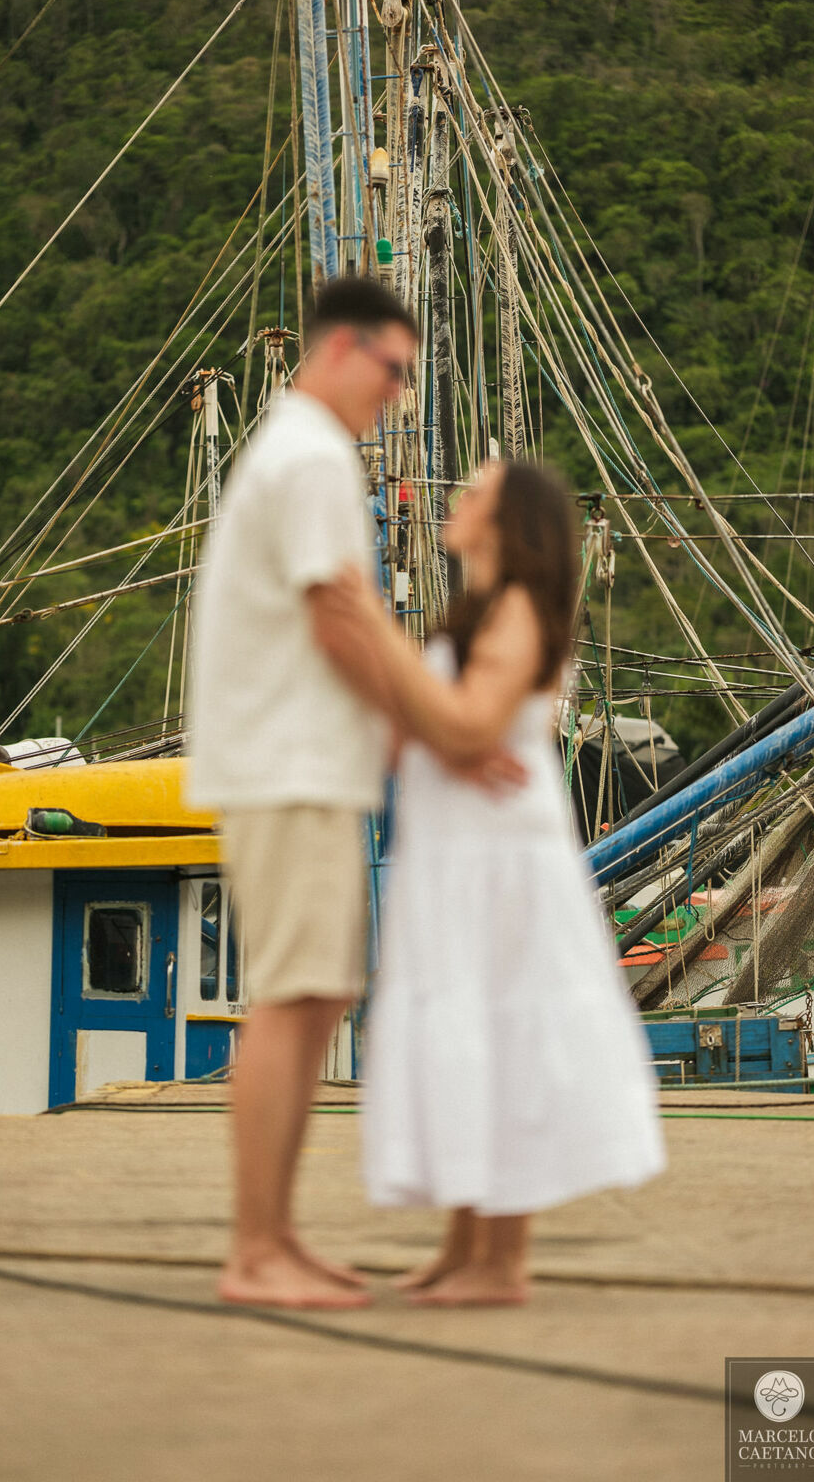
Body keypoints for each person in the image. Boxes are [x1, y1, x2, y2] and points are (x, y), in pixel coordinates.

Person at [190, 277, 520, 1309]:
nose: (400, 393)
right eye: (396, 370)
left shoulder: (292, 452)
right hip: (288, 764)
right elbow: (341, 615)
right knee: (293, 999)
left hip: (293, 759)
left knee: (312, 992)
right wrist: (439, 733)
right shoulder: (316, 455)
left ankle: (275, 1235)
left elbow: (335, 619)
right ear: (343, 350)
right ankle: (255, 1247)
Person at [318, 460, 666, 1305]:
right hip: (453, 850)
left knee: (496, 1037)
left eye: (473, 493)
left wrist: (374, 626)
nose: (455, 501)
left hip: (496, 863)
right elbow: (429, 730)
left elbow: (471, 724)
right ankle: (462, 1244)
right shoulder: (477, 612)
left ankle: (501, 1262)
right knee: (460, 1038)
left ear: (509, 524)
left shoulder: (517, 610)